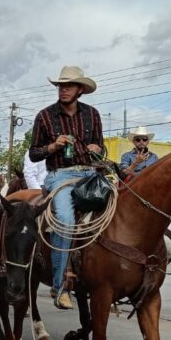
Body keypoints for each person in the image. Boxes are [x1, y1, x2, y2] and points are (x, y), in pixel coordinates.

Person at [29, 66, 103, 310]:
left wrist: (97, 150)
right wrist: (52, 146)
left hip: (90, 173)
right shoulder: (45, 116)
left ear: (80, 90)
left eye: (69, 86)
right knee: (65, 219)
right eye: (61, 86)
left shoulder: (92, 114)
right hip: (60, 175)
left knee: (122, 210)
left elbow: (101, 147)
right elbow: (34, 153)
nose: (64, 90)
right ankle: (60, 285)